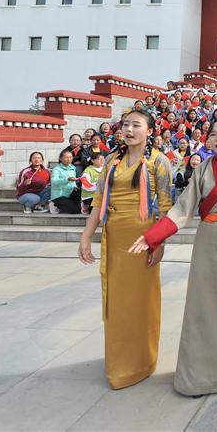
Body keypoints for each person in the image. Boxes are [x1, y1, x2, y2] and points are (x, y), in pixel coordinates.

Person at [128, 117, 217, 396]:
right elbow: (182, 209)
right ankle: (199, 375)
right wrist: (152, 236)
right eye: (213, 134)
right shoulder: (203, 169)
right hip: (207, 244)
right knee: (203, 310)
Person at [77, 110, 174, 389]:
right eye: (126, 125)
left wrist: (159, 242)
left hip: (144, 237)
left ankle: (141, 361)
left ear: (150, 130)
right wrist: (86, 236)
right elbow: (98, 201)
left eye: (136, 125)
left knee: (141, 300)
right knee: (116, 301)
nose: (129, 130)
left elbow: (167, 207)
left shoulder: (159, 161)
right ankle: (118, 361)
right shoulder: (111, 160)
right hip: (114, 235)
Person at [50, 149, 81, 214]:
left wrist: (75, 187)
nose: (69, 159)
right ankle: (55, 205)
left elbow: (73, 182)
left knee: (80, 191)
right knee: (74, 210)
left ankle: (66, 206)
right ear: (61, 158)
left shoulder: (73, 168)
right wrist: (67, 179)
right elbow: (54, 181)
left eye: (70, 157)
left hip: (70, 194)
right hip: (60, 196)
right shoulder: (57, 169)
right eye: (66, 157)